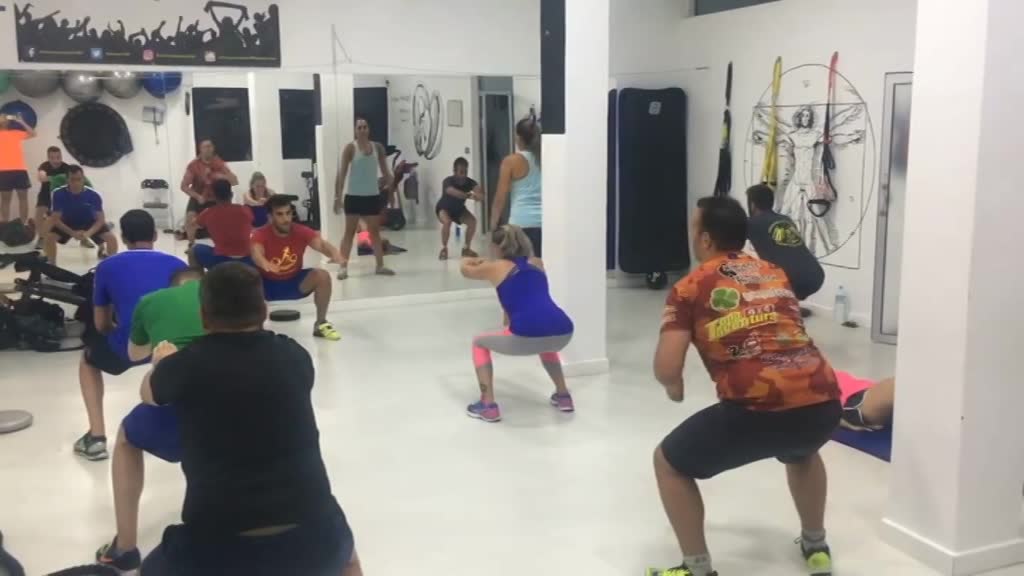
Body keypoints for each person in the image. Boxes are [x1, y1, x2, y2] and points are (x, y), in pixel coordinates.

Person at [648, 196, 840, 576]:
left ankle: (696, 568)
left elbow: (667, 368)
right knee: (802, 452)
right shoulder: (774, 271)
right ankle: (816, 546)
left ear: (705, 238)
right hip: (823, 400)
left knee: (668, 463)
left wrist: (673, 387)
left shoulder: (689, 287)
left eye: (694, 228)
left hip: (756, 408)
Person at [136, 263, 362, 575]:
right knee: (349, 557)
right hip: (315, 535)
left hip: (221, 547)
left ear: (204, 316)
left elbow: (148, 394)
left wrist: (161, 363)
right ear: (264, 311)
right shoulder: (295, 356)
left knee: (149, 570)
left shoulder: (184, 366)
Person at [95, 267, 206, 572]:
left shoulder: (152, 301)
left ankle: (125, 547)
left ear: (173, 286)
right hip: (240, 404)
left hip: (177, 405)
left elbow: (134, 354)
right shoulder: (226, 298)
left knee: (127, 437)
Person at [75, 210, 186, 461]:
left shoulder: (106, 267)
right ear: (155, 235)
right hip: (174, 346)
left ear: (123, 238)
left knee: (88, 360)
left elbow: (101, 323)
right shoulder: (178, 265)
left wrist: (116, 331)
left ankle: (96, 437)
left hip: (131, 344)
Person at [459, 225, 575, 422]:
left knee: (478, 342)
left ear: (497, 247)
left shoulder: (494, 267)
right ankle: (563, 396)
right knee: (545, 342)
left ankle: (487, 405)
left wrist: (468, 259)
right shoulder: (537, 263)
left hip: (526, 333)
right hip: (564, 330)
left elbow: (465, 270)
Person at [251, 195, 343, 341]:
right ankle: (255, 330)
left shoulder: (301, 231)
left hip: (294, 283)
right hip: (267, 286)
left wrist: (334, 253)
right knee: (247, 279)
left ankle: (321, 324)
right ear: (270, 217)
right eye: (280, 214)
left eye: (288, 213)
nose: (286, 219)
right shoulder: (260, 234)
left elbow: (320, 244)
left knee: (322, 276)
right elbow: (256, 252)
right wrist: (264, 263)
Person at [333, 116, 395, 280]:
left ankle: (380, 266)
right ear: (355, 130)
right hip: (354, 197)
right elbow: (341, 174)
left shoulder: (377, 148)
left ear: (369, 129)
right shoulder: (350, 148)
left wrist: (391, 193)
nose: (362, 130)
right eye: (359, 127)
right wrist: (337, 197)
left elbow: (386, 172)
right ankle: (342, 267)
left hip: (371, 197)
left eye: (364, 127)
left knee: (374, 232)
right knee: (349, 233)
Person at [745, 184, 825, 301]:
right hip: (816, 274)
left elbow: (728, 242)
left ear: (752, 204)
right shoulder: (786, 220)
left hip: (791, 279)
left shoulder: (752, 223)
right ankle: (791, 304)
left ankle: (786, 306)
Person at [490, 115, 543, 256]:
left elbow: (500, 199)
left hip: (519, 225)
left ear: (518, 138)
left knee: (520, 266)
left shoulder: (511, 161)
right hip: (544, 223)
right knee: (541, 265)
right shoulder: (546, 158)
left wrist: (493, 226)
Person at [44, 165, 119, 264]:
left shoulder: (94, 195)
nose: (76, 183)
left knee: (111, 238)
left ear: (83, 179)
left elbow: (100, 220)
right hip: (67, 222)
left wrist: (88, 233)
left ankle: (111, 264)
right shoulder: (58, 194)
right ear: (67, 180)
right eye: (72, 179)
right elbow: (56, 219)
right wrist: (72, 233)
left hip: (90, 222)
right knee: (49, 238)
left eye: (79, 179)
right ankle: (52, 264)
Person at [181, 139, 238, 245]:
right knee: (190, 218)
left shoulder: (219, 163)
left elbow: (234, 181)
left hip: (216, 198)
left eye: (210, 146)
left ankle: (225, 243)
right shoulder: (193, 165)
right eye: (205, 147)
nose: (208, 149)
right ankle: (191, 244)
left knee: (227, 218)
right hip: (199, 196)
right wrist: (197, 197)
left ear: (213, 148)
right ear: (200, 149)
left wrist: (221, 176)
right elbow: (184, 186)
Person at [190, 179, 254, 269]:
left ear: (214, 197)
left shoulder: (208, 213)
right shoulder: (245, 210)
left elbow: (193, 225)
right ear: (231, 195)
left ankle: (200, 277)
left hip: (221, 261)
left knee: (192, 251)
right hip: (247, 260)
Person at [436, 157, 482, 260]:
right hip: (444, 208)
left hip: (459, 210)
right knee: (447, 222)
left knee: (472, 222)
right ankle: (444, 248)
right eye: (461, 172)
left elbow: (480, 193)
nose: (463, 175)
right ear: (454, 171)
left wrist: (478, 195)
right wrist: (469, 196)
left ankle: (466, 249)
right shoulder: (448, 181)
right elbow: (452, 191)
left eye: (465, 172)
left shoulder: (470, 182)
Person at [33, 146, 73, 249]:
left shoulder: (66, 167)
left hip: (61, 195)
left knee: (77, 214)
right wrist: (58, 178)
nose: (56, 160)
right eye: (52, 158)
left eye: (58, 157)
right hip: (45, 194)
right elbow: (41, 177)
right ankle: (41, 238)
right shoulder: (44, 166)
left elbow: (70, 180)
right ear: (48, 158)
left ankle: (84, 239)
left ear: (61, 156)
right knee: (38, 214)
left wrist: (50, 178)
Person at [0, 114, 37, 224]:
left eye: (5, 117)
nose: (4, 118)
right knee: (5, 200)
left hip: (19, 170)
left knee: (23, 198)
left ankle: (23, 225)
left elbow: (33, 134)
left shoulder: (15, 133)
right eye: (2, 116)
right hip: (3, 171)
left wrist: (21, 121)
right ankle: (5, 225)